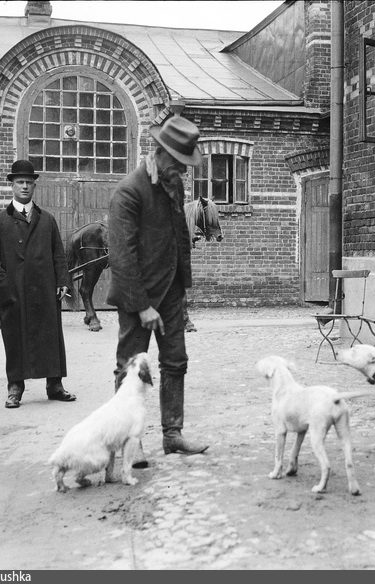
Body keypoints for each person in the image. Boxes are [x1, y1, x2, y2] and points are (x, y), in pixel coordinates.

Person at [107, 115, 209, 466]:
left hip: (170, 294)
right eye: (179, 165)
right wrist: (141, 306)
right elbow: (121, 256)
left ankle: (172, 435)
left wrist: (183, 288)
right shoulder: (129, 191)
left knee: (176, 362)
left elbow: (180, 237)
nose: (183, 172)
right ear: (162, 154)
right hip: (139, 297)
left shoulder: (172, 185)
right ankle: (128, 444)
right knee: (130, 368)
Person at [0, 159, 76, 409]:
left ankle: (55, 385)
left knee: (50, 335)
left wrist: (63, 281)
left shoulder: (47, 220)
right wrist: (2, 281)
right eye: (20, 182)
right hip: (14, 290)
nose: (24, 187)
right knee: (15, 336)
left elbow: (58, 254)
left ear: (35, 186)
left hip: (45, 288)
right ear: (11, 185)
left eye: (29, 183)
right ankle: (15, 387)